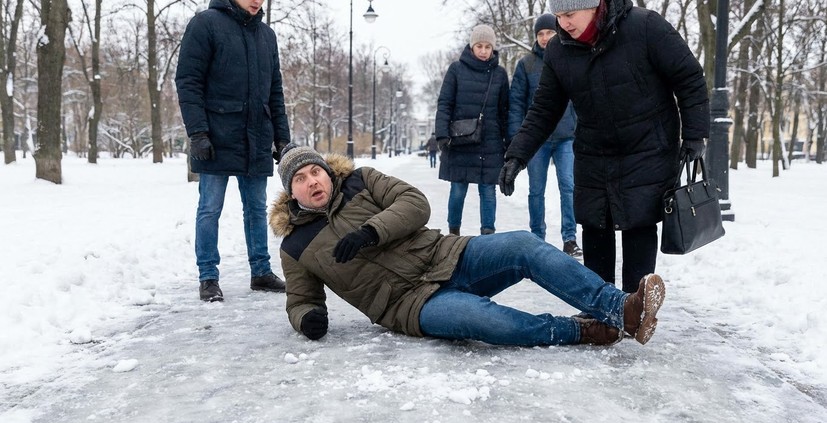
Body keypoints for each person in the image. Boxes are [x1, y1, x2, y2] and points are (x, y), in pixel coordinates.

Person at [268, 144, 667, 347]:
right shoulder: (296, 245)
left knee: (524, 245)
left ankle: (620, 308)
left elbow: (415, 204)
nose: (313, 181)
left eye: (315, 170)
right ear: (292, 191)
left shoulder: (362, 179)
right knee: (483, 320)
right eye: (300, 178)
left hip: (449, 257)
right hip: (409, 305)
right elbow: (301, 299)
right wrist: (307, 320)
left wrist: (371, 231)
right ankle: (581, 331)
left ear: (326, 170)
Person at [499, 0, 709, 293]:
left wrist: (695, 135)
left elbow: (689, 78)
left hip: (646, 147)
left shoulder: (645, 26)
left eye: (570, 14)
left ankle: (636, 305)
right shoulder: (559, 49)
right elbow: (544, 109)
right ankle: (599, 309)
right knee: (595, 224)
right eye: (558, 16)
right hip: (593, 150)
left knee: (639, 221)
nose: (564, 24)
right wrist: (517, 155)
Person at [175, 0, 291, 302]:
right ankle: (208, 277)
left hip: (256, 137)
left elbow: (275, 91)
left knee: (256, 208)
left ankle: (261, 272)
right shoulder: (205, 24)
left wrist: (283, 139)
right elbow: (188, 81)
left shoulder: (267, 36)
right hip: (215, 136)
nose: (257, 1)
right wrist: (197, 132)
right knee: (210, 209)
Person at [508, 14, 581, 257]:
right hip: (538, 140)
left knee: (568, 186)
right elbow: (516, 103)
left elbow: (580, 96)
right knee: (536, 190)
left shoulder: (569, 56)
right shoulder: (525, 64)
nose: (545, 37)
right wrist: (517, 138)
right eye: (540, 34)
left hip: (566, 136)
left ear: (557, 32)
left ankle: (570, 239)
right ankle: (537, 238)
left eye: (549, 32)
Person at [435, 25, 510, 236]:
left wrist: (509, 142)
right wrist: (442, 134)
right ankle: (453, 233)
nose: (484, 50)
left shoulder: (500, 74)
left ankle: (488, 235)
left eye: (488, 46)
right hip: (460, 141)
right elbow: (445, 103)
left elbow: (505, 110)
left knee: (488, 191)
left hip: (491, 142)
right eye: (479, 45)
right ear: (472, 46)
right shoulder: (456, 70)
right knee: (458, 190)